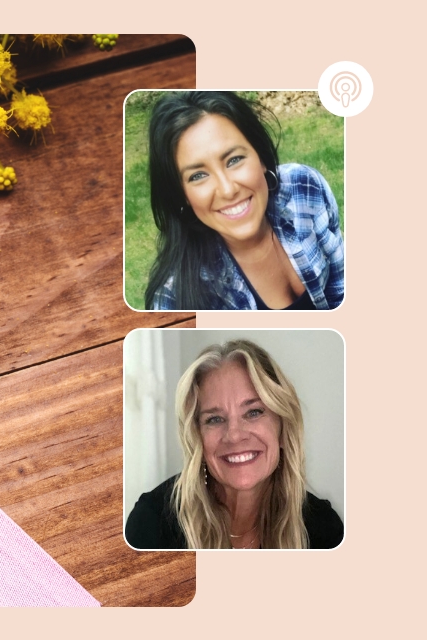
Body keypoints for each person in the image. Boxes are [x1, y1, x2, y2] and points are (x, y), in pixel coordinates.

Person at [125, 340, 343, 549]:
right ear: (196, 436)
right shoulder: (152, 523)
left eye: (253, 412)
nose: (235, 435)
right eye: (214, 419)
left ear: (283, 428)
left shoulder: (323, 528)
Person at [143, 91, 344, 310]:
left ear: (261, 156)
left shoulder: (303, 187)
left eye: (234, 160)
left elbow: (341, 285)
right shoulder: (174, 300)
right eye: (198, 176)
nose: (227, 190)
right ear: (182, 194)